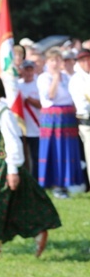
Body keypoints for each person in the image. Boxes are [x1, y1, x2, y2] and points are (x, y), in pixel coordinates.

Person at [0, 75, 61, 259]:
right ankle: (38, 232)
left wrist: (12, 170)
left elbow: (13, 141)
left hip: (4, 164)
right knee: (15, 205)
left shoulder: (4, 113)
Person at [36, 48, 84, 198]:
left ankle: (68, 182)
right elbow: (50, 95)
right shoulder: (44, 77)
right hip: (53, 117)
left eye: (58, 60)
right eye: (52, 60)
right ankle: (56, 184)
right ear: (47, 62)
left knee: (67, 150)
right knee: (55, 150)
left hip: (68, 116)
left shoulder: (68, 77)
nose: (56, 63)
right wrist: (56, 77)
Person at [68, 48, 90, 186]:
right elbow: (83, 104)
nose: (86, 63)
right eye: (83, 60)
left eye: (88, 59)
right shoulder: (76, 80)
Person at [17, 60, 41, 180]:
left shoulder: (39, 83)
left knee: (36, 156)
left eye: (30, 69)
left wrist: (27, 98)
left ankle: (37, 180)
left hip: (36, 126)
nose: (28, 72)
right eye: (26, 69)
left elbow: (41, 104)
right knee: (23, 156)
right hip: (21, 127)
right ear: (21, 70)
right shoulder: (17, 85)